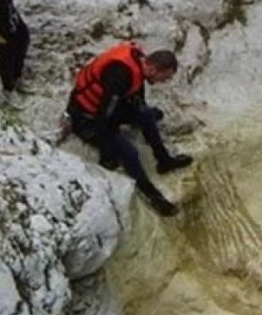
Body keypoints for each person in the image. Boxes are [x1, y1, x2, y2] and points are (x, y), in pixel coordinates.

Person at [65, 42, 193, 217]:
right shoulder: (120, 74)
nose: (164, 82)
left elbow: (136, 96)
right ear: (154, 69)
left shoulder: (139, 62)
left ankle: (164, 161)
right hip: (86, 118)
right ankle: (153, 196)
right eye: (165, 78)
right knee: (129, 152)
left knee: (147, 114)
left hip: (106, 108)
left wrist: (142, 115)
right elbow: (105, 116)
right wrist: (111, 148)